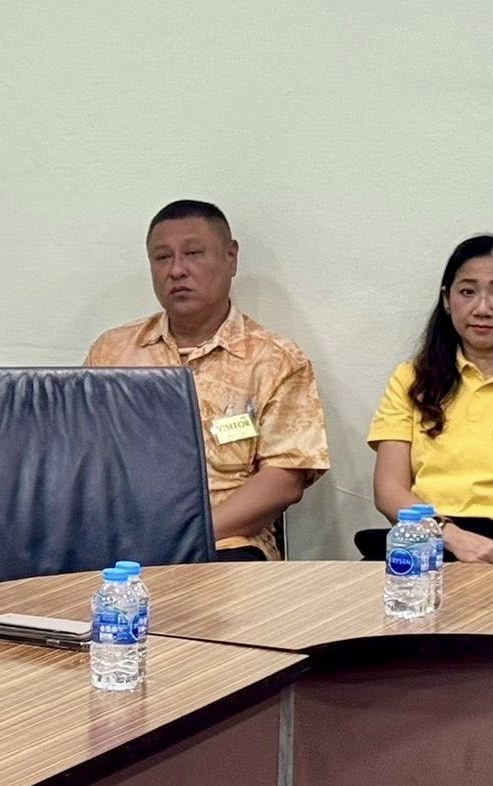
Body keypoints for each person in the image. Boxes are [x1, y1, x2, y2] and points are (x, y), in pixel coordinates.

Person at [85, 200, 329, 560]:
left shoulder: (275, 360)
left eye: (193, 253)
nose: (176, 270)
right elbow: (82, 457)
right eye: (162, 257)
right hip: (121, 540)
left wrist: (184, 535)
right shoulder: (112, 352)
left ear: (231, 258)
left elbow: (285, 478)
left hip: (225, 543)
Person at [365, 234, 493, 564]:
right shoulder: (410, 379)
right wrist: (451, 538)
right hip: (431, 540)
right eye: (467, 292)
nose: (482, 308)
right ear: (447, 300)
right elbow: (389, 490)